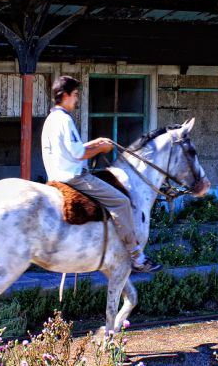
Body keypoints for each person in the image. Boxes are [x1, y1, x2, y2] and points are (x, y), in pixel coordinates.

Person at [41, 75, 162, 273]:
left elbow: (72, 149)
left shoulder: (51, 119)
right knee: (121, 202)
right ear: (64, 95)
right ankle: (136, 255)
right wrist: (101, 149)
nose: (77, 99)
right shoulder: (64, 120)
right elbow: (79, 154)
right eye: (75, 95)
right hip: (73, 177)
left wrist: (95, 142)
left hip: (56, 175)